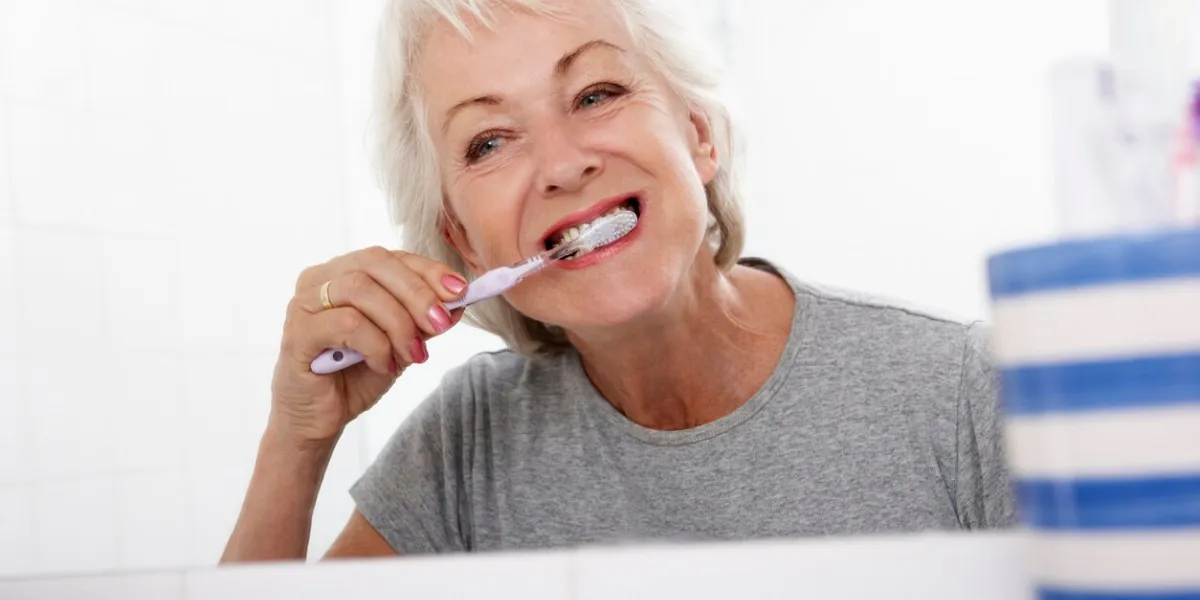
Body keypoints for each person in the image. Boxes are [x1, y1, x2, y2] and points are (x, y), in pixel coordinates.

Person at [221, 0, 1015, 562]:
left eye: (596, 94)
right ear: (460, 239)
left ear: (697, 134)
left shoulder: (964, 397)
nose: (564, 165)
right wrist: (297, 440)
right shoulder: (466, 448)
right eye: (490, 141)